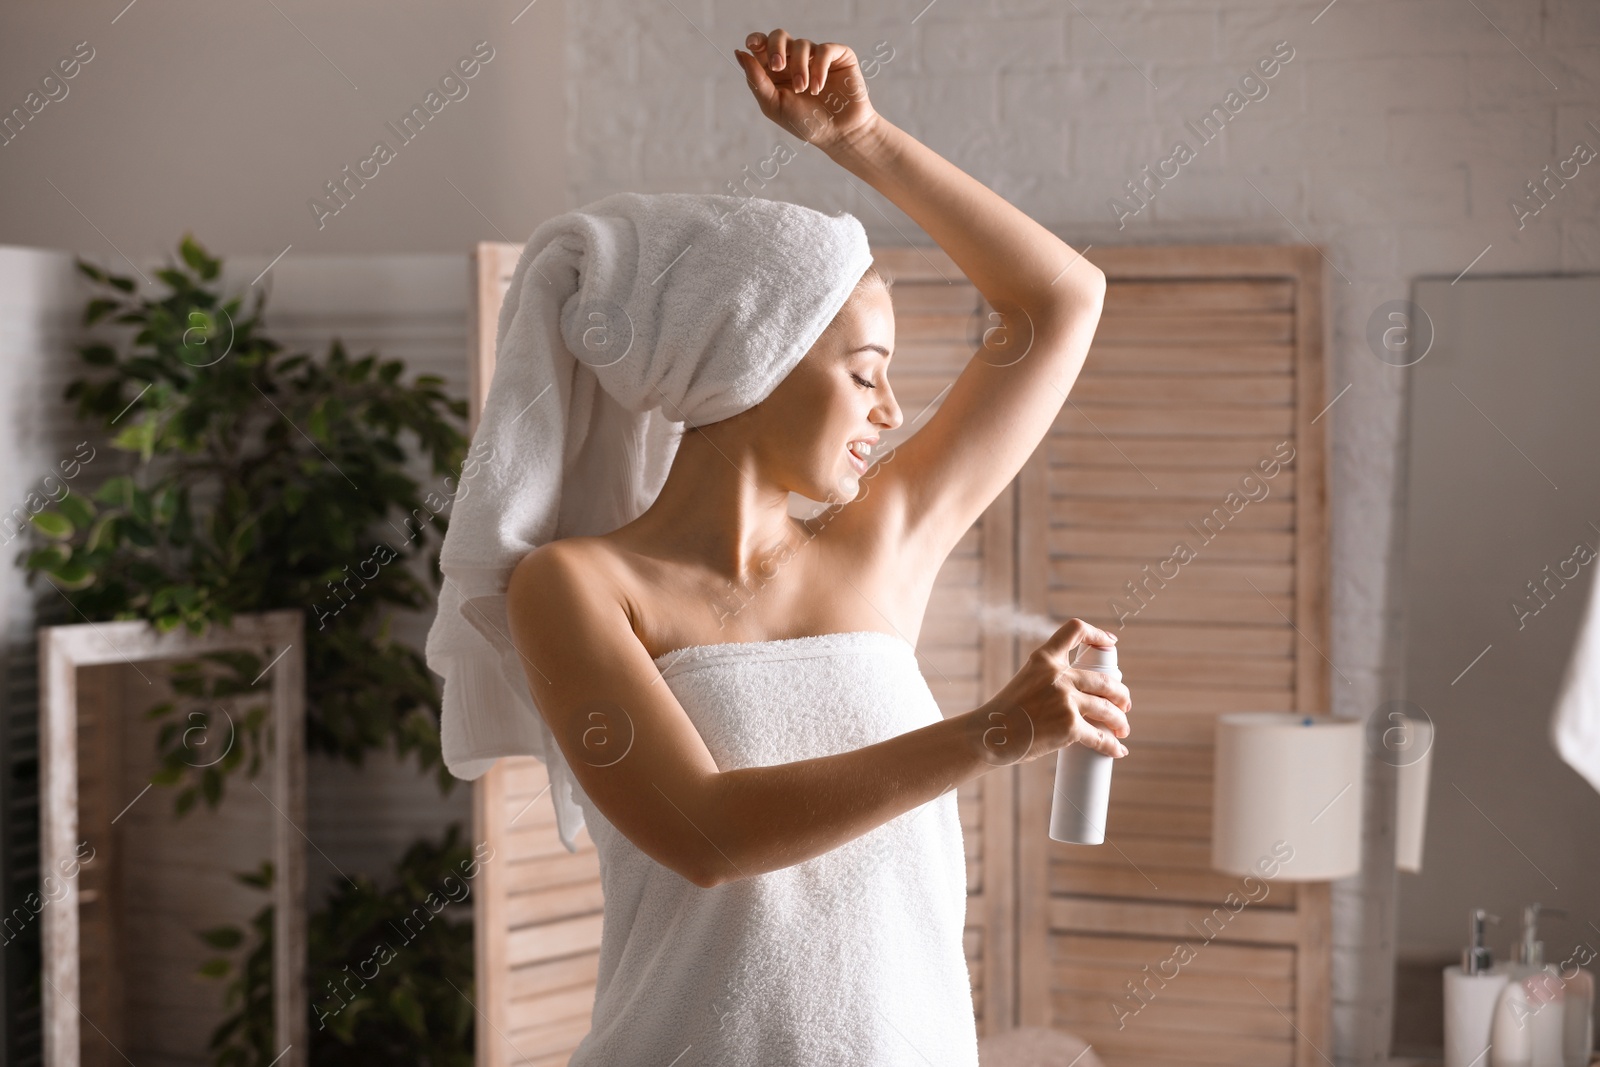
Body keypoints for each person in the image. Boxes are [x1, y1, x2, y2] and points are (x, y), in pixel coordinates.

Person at [504, 27, 1132, 1066]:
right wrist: (992, 732)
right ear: (753, 356)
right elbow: (707, 835)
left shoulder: (882, 542)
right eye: (864, 368)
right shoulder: (574, 585)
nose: (889, 406)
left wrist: (863, 138)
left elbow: (1060, 301)